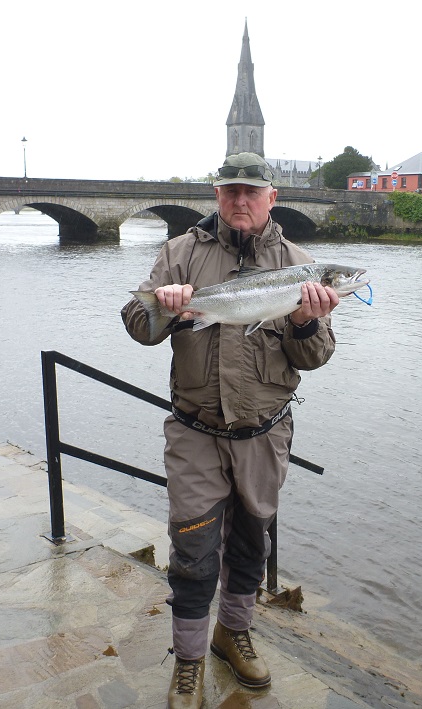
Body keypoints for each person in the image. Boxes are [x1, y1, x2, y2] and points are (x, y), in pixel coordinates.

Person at [121, 152, 338, 708]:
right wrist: (164, 309)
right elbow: (138, 324)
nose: (240, 201)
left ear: (271, 198)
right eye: (230, 192)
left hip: (265, 434)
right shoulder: (180, 253)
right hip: (195, 432)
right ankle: (189, 661)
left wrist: (305, 320)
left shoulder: (301, 265)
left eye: (252, 192)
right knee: (192, 551)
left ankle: (232, 634)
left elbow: (315, 357)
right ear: (217, 196)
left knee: (249, 546)